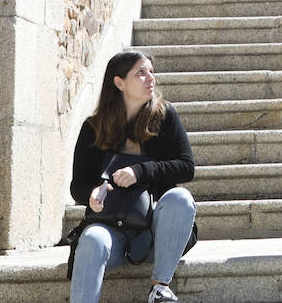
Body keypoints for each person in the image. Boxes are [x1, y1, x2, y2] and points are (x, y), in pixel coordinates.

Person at [68, 51, 196, 303]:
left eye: (151, 71)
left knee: (180, 198)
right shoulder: (93, 128)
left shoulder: (166, 117)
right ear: (119, 82)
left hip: (156, 234)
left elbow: (186, 167)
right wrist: (91, 195)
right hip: (111, 229)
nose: (150, 78)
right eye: (141, 72)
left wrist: (139, 172)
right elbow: (77, 186)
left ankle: (160, 288)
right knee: (92, 237)